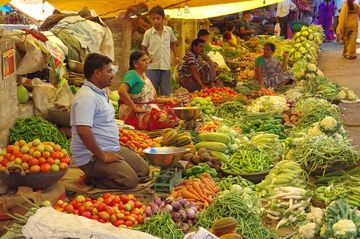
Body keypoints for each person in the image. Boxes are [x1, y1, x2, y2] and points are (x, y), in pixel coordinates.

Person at [70, 53, 149, 189]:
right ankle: (92, 177)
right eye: (108, 71)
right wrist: (103, 156)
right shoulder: (86, 97)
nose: (112, 74)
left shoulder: (100, 92)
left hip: (111, 148)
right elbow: (83, 131)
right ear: (97, 73)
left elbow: (103, 125)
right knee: (130, 181)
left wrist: (117, 144)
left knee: (143, 170)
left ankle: (102, 172)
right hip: (92, 156)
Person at [118, 51, 178, 130]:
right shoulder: (132, 74)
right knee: (162, 118)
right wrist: (135, 108)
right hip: (134, 112)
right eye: (143, 60)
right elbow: (121, 91)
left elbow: (153, 99)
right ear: (135, 63)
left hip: (146, 107)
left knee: (172, 108)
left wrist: (169, 100)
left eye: (147, 60)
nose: (147, 62)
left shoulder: (144, 76)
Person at [142, 5, 179, 96]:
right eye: (153, 19)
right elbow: (144, 47)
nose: (156, 21)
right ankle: (153, 109)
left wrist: (176, 56)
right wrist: (146, 58)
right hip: (152, 67)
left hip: (165, 66)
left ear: (163, 19)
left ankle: (166, 109)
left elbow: (173, 43)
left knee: (166, 92)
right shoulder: (148, 33)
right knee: (151, 92)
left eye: (158, 18)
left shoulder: (169, 30)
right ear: (150, 19)